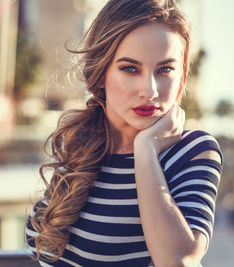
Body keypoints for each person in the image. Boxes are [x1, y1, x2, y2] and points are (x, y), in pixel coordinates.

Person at [25, 0, 223, 266]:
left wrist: (146, 150)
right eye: (130, 68)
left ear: (182, 76)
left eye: (165, 69)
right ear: (101, 71)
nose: (150, 90)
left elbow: (177, 261)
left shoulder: (194, 151)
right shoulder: (80, 144)